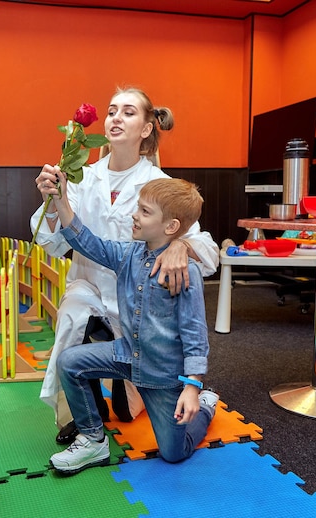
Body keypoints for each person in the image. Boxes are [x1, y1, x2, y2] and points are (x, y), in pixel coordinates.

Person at [30, 87, 219, 443]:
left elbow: (207, 247)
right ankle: (78, 416)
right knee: (72, 319)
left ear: (147, 128)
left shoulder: (160, 184)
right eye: (112, 110)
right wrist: (51, 201)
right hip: (88, 284)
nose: (116, 117)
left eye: (128, 112)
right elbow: (54, 242)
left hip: (135, 299)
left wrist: (181, 245)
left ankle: (135, 394)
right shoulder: (82, 177)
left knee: (133, 412)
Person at [46, 175, 218, 473]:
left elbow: (195, 334)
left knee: (173, 453)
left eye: (144, 211)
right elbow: (85, 240)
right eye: (137, 208)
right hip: (127, 355)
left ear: (171, 227)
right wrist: (60, 198)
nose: (133, 215)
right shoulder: (128, 254)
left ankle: (205, 405)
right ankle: (93, 440)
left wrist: (192, 386)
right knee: (69, 361)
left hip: (165, 376)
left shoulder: (183, 271)